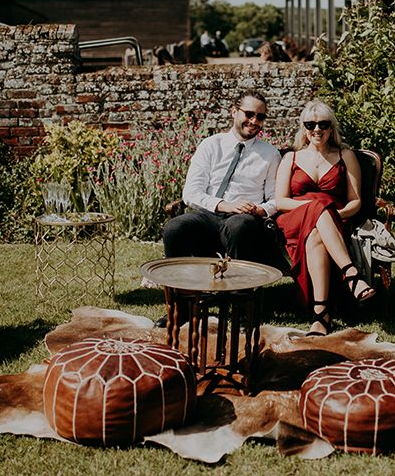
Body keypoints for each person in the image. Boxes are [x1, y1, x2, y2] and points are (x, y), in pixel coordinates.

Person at [157, 90, 281, 326]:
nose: (254, 121)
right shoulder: (211, 145)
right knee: (175, 227)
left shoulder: (270, 154)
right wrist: (225, 205)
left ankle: (239, 306)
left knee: (239, 225)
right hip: (210, 215)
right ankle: (181, 305)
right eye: (249, 114)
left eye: (261, 117)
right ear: (234, 112)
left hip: (246, 218)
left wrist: (258, 209)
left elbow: (276, 200)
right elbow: (191, 193)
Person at [275, 99, 375, 336]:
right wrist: (319, 209)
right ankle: (351, 274)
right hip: (294, 219)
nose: (316, 129)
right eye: (310, 124)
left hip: (336, 220)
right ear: (304, 129)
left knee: (318, 233)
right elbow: (280, 201)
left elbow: (356, 200)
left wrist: (332, 215)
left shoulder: (345, 155)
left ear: (331, 128)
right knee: (318, 212)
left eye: (323, 124)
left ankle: (321, 316)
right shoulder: (291, 158)